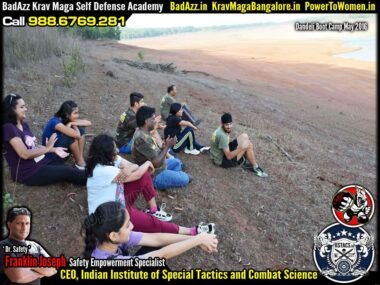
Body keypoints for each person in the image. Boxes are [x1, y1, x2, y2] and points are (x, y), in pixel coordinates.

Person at [86, 134, 214, 235]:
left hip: (117, 200)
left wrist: (134, 167)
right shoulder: (102, 170)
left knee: (145, 175)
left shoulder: (110, 159)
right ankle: (191, 231)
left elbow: (133, 167)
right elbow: (136, 173)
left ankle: (153, 210)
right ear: (106, 154)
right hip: (110, 216)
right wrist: (146, 163)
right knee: (154, 225)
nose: (117, 151)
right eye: (114, 150)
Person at [83, 202, 218, 260]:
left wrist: (194, 239)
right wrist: (198, 240)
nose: (132, 226)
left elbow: (156, 239)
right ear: (113, 235)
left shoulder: (105, 237)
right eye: (127, 225)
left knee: (158, 244)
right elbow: (160, 256)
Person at [2, 93, 86, 186]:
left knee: (68, 169)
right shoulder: (8, 128)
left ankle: (94, 175)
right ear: (12, 110)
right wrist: (47, 148)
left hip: (39, 162)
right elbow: (24, 154)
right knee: (68, 172)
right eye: (22, 107)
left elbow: (33, 146)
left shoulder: (23, 124)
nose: (25, 109)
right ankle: (97, 180)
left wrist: (52, 149)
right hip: (28, 172)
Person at [132, 106, 191, 190]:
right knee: (185, 178)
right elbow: (156, 163)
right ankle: (163, 182)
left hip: (157, 166)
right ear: (146, 122)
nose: (155, 121)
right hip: (153, 174)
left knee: (177, 162)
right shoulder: (142, 138)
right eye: (153, 119)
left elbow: (153, 152)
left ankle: (171, 178)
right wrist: (167, 146)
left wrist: (163, 146)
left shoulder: (143, 131)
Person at [0, 207, 57, 284]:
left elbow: (53, 269)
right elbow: (18, 277)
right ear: (9, 224)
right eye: (19, 223)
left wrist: (29, 266)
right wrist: (42, 271)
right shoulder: (3, 246)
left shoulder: (35, 246)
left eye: (27, 223)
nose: (24, 228)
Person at [210, 113, 268, 177]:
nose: (229, 126)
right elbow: (228, 156)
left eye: (230, 124)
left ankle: (249, 158)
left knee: (244, 136)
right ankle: (255, 168)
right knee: (248, 146)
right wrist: (241, 148)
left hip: (221, 151)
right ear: (222, 123)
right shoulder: (222, 136)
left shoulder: (221, 129)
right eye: (226, 124)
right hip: (221, 161)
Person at [42, 100, 92, 170]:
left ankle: (79, 159)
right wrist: (73, 125)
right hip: (52, 155)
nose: (77, 115)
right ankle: (80, 161)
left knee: (81, 130)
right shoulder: (56, 123)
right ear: (67, 114)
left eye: (78, 113)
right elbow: (77, 135)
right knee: (70, 136)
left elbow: (88, 123)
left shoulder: (66, 119)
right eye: (75, 113)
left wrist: (72, 123)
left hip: (61, 151)